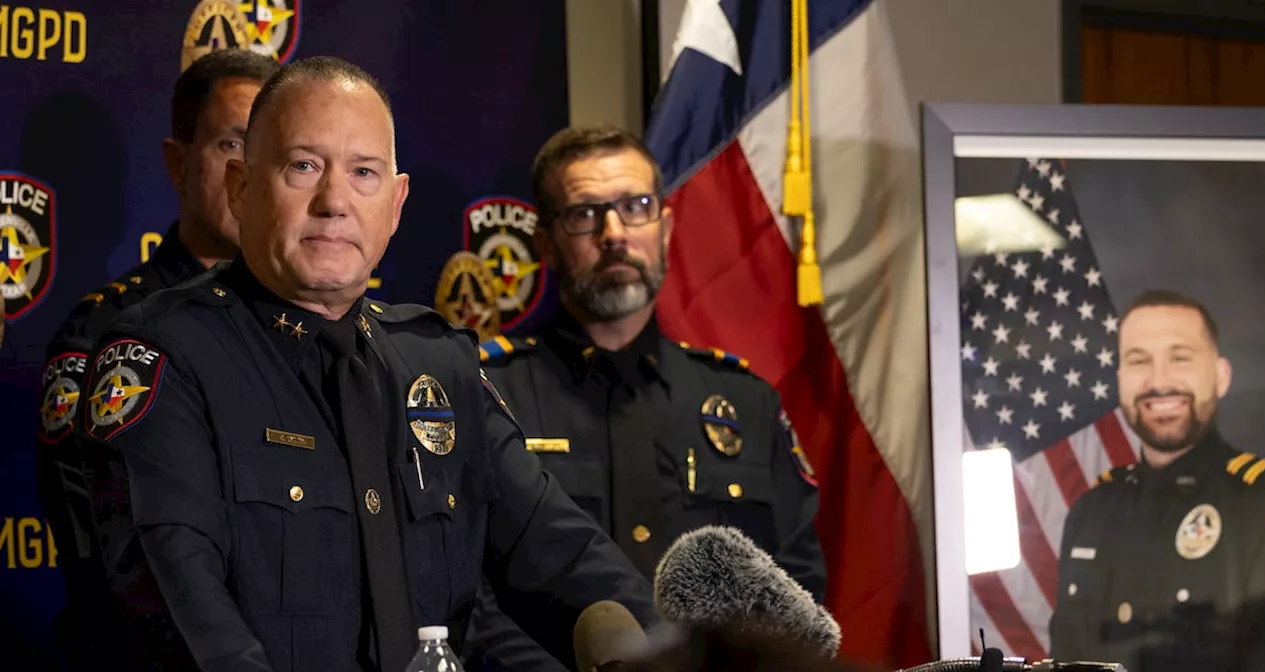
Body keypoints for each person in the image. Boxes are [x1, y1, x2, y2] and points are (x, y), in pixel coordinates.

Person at [74, 56, 657, 671]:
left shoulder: (438, 362)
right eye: (303, 166)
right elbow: (186, 626)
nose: (335, 201)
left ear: (397, 201)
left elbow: (561, 555)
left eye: (364, 173)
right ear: (242, 187)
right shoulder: (165, 358)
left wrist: (643, 650)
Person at [466, 125, 825, 671]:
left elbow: (795, 589)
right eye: (585, 213)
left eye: (636, 206)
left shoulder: (745, 404)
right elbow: (470, 595)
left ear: (665, 225)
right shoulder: (491, 395)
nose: (614, 232)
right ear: (546, 244)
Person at [35, 48, 279, 669]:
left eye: (273, 150)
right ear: (178, 163)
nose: (250, 171)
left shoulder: (313, 326)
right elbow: (103, 561)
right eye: (231, 144)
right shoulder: (102, 334)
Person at [1049, 289, 1265, 672]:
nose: (1159, 381)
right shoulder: (1090, 514)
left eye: (1180, 358)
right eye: (1139, 361)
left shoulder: (1261, 506)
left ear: (1220, 376)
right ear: (1121, 381)